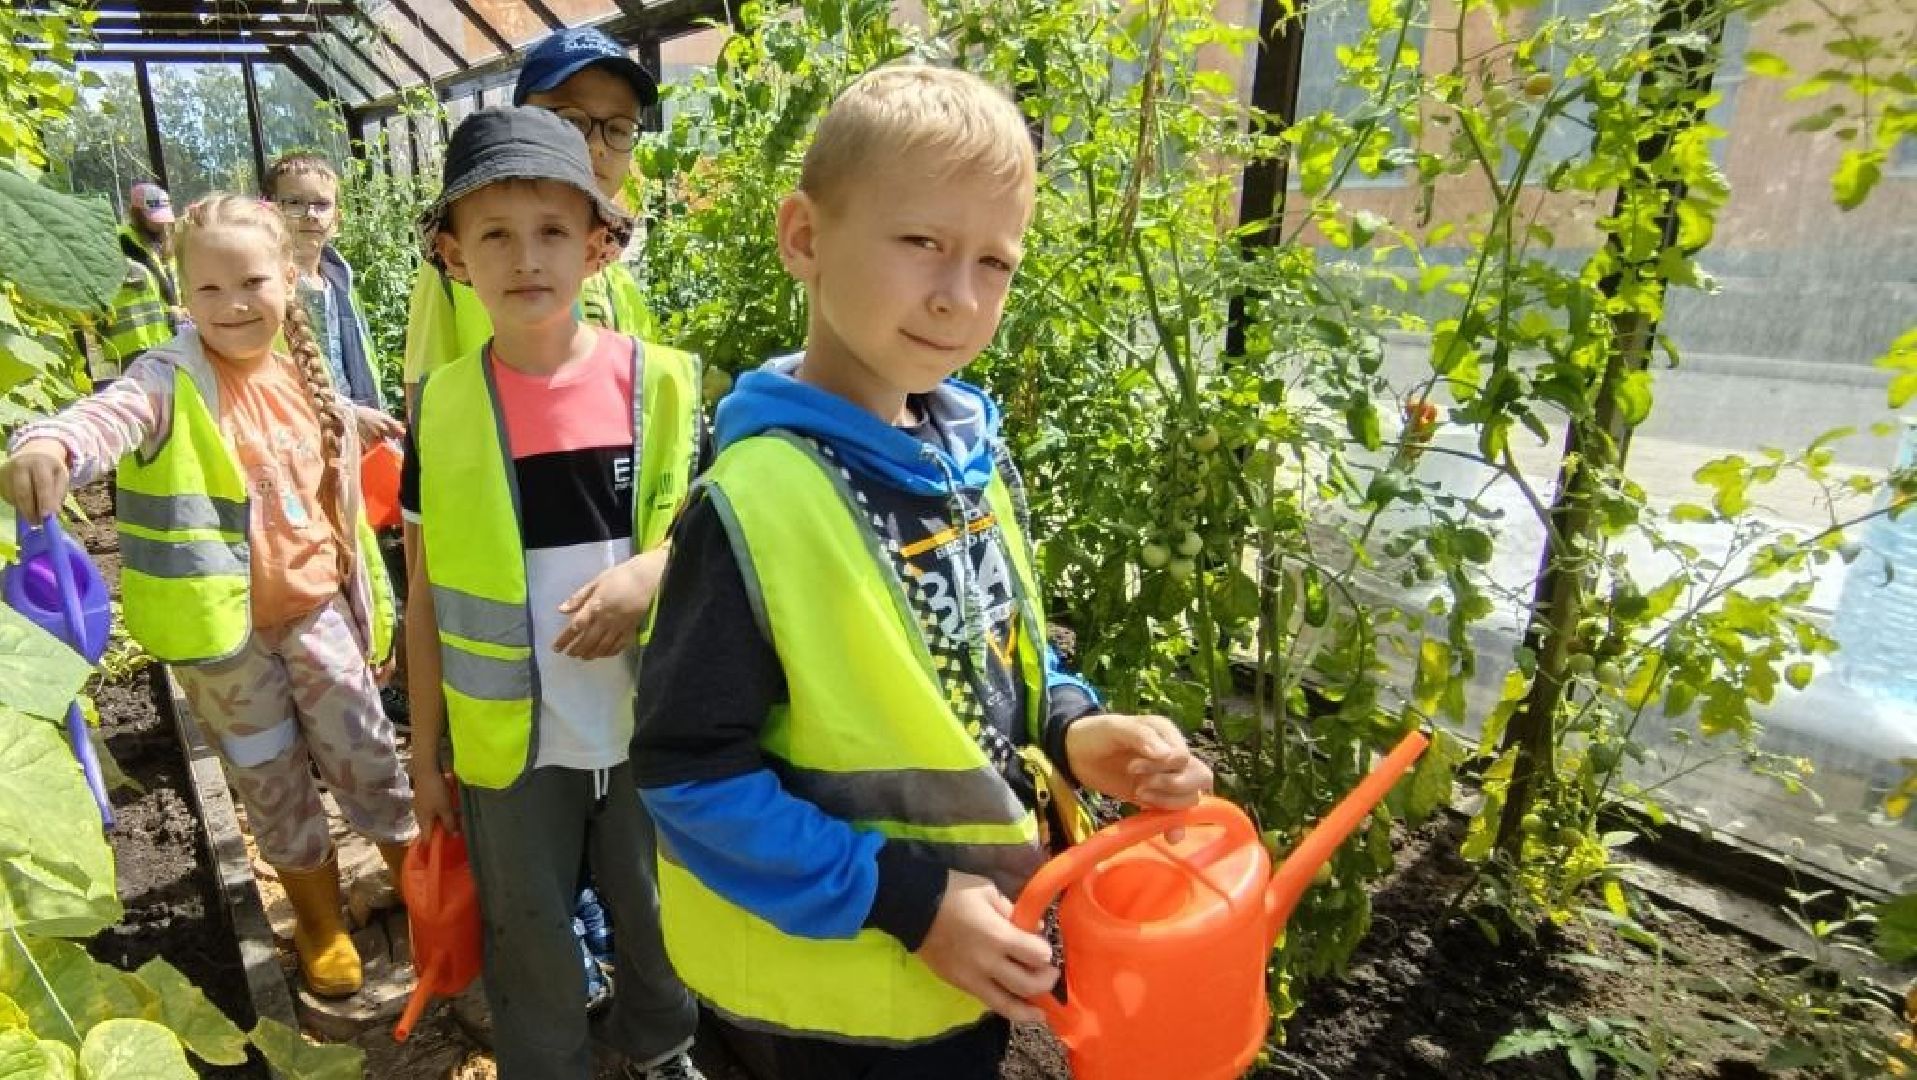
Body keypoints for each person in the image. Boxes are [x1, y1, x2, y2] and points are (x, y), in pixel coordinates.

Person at [630, 64, 1214, 1079]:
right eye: (922, 244)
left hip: (954, 979)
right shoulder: (756, 505)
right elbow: (688, 775)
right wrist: (912, 902)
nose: (959, 296)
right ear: (805, 237)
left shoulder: (969, 464)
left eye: (996, 262)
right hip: (819, 1016)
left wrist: (1076, 731)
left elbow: (993, 664)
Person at [3, 194, 415, 999]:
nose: (231, 305)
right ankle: (321, 922)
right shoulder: (167, 378)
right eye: (208, 291)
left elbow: (306, 437)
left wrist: (356, 421)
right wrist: (48, 440)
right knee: (270, 778)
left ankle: (419, 888)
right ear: (183, 295)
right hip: (227, 639)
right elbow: (108, 417)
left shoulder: (302, 366)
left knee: (366, 752)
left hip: (318, 609)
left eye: (252, 282)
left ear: (288, 281)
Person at [400, 106, 703, 1080]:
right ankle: (550, 1062)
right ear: (454, 254)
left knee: (658, 913)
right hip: (508, 748)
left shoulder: (657, 386)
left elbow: (718, 538)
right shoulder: (443, 411)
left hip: (644, 722)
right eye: (495, 234)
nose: (527, 258)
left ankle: (663, 1044)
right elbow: (421, 598)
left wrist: (651, 571)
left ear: (597, 247)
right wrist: (424, 754)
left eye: (554, 232)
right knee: (527, 931)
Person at [401, 25, 660, 416]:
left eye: (618, 128)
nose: (595, 146)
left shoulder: (615, 270)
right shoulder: (457, 265)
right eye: (571, 122)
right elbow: (423, 397)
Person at [264, 152, 398, 425]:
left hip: (355, 433)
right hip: (303, 436)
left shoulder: (341, 282)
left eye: (322, 204)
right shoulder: (264, 288)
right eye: (295, 203)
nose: (311, 215)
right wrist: (349, 415)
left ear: (336, 218)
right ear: (270, 210)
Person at [98, 181, 184, 380]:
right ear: (136, 214)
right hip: (131, 346)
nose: (159, 224)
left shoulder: (163, 247)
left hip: (166, 339)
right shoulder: (118, 243)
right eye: (152, 218)